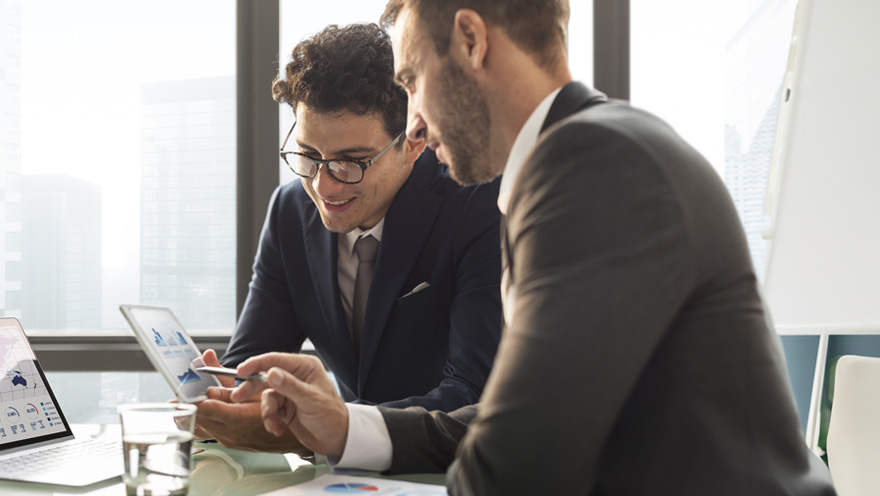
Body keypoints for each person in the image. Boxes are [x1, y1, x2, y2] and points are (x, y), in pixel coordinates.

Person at [230, 1, 838, 495]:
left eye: (412, 80)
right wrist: (343, 424)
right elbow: (512, 421)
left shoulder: (593, 165)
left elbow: (521, 458)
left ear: (470, 40)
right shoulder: (581, 156)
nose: (412, 125)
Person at [194, 23, 503, 453]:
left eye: (351, 162)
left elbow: (473, 395)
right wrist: (226, 401)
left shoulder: (478, 202)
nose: (324, 186)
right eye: (308, 155)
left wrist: (327, 430)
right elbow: (252, 366)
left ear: (414, 141)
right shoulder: (289, 212)